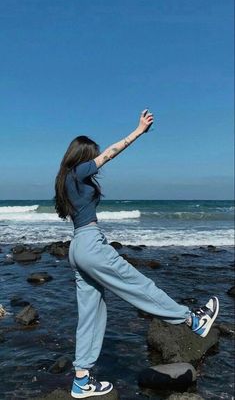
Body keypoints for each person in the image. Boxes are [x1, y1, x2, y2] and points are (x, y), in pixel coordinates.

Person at [54, 109, 219, 399]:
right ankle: (193, 320)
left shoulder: (66, 180)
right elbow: (110, 153)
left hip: (77, 247)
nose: (96, 160)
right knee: (139, 286)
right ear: (81, 155)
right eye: (91, 155)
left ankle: (82, 379)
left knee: (91, 314)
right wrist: (138, 132)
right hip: (91, 244)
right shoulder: (79, 172)